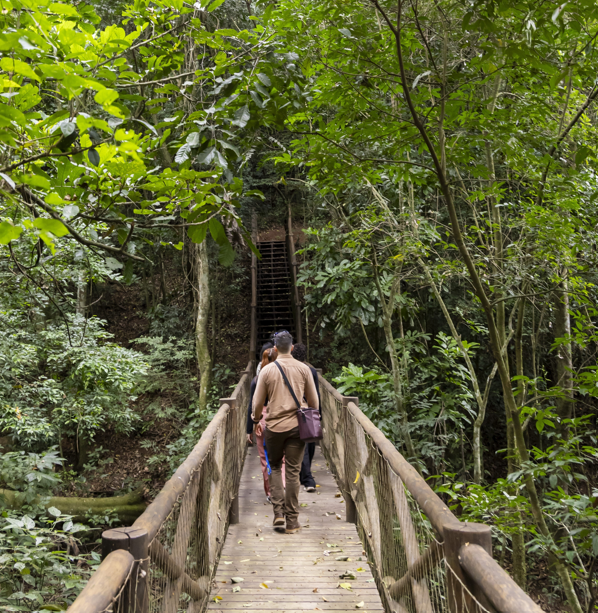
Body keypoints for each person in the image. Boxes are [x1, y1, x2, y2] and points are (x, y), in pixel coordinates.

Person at [252, 331, 319, 534]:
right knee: (292, 472)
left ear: (274, 348)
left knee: (273, 467)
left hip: (273, 427)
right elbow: (314, 403)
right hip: (297, 427)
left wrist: (256, 420)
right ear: (292, 347)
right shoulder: (304, 369)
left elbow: (257, 403)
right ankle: (292, 521)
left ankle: (278, 513)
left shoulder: (266, 371)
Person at [246, 343, 285, 501]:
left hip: (261, 420)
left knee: (265, 457)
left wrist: (249, 428)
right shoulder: (283, 378)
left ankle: (270, 492)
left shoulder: (256, 380)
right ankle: (282, 486)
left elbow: (252, 405)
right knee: (282, 457)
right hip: (280, 417)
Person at [290, 343, 320, 493]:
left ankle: (305, 474)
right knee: (308, 444)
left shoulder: (289, 370)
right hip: (308, 411)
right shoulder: (310, 371)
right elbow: (316, 395)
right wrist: (318, 414)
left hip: (293, 411)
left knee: (307, 445)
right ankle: (308, 478)